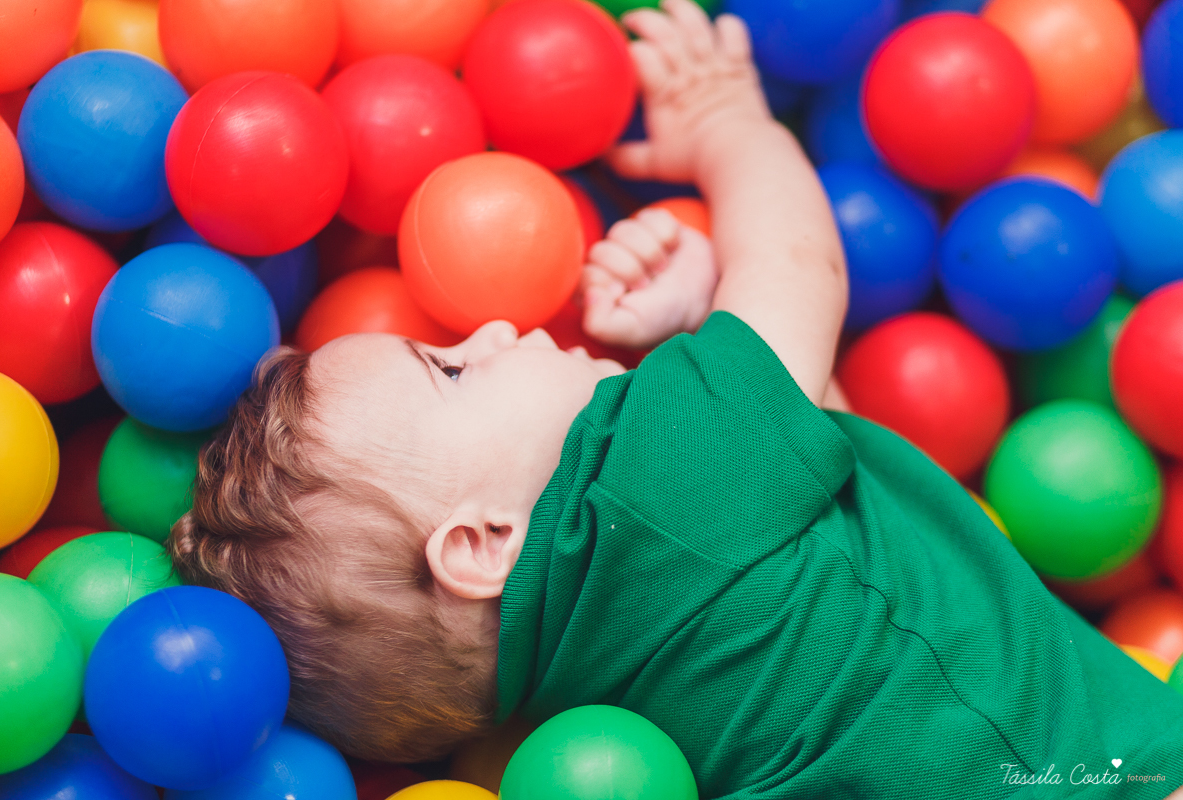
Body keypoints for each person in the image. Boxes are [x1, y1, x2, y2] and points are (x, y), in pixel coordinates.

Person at [168, 1, 1183, 796]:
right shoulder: (658, 468)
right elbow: (801, 264)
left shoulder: (604, 721)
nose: (489, 328)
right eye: (452, 368)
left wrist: (704, 321)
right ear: (481, 543)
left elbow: (838, 505)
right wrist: (726, 125)